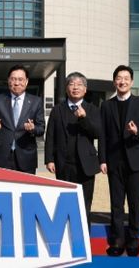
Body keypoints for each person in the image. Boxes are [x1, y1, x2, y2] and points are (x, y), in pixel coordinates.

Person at [99, 65, 139, 257]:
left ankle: (134, 237)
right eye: (119, 78)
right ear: (114, 82)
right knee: (116, 202)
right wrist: (102, 159)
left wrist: (137, 132)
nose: (122, 81)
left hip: (135, 160)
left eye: (126, 78)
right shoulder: (106, 105)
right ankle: (118, 238)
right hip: (114, 161)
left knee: (135, 202)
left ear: (131, 81)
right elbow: (102, 135)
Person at [44, 72, 102, 231]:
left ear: (85, 89)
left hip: (86, 165)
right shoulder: (57, 110)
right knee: (64, 202)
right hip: (63, 164)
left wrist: (84, 118)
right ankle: (65, 235)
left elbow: (98, 133)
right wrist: (49, 159)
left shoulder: (92, 109)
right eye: (71, 84)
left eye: (79, 84)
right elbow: (50, 136)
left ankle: (83, 237)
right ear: (66, 88)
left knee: (84, 203)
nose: (75, 87)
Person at [0, 65, 45, 174]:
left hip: (26, 156)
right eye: (13, 79)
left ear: (26, 81)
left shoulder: (36, 101)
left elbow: (41, 128)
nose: (17, 83)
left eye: (20, 79)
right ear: (8, 80)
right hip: (2, 155)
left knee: (25, 185)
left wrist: (33, 129)